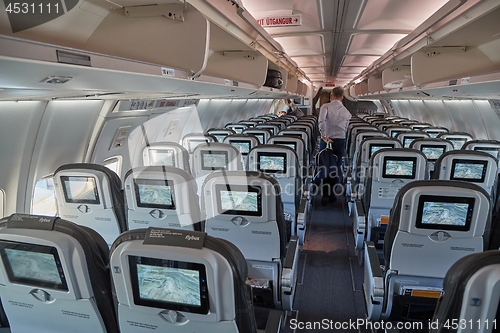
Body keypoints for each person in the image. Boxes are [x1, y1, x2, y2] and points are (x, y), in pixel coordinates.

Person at [318, 87, 352, 205]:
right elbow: (346, 128)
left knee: (324, 167)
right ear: (342, 97)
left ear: (331, 96)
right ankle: (332, 195)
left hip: (327, 140)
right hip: (340, 141)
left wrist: (323, 135)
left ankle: (324, 195)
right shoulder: (347, 112)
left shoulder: (325, 107)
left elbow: (321, 121)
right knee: (336, 167)